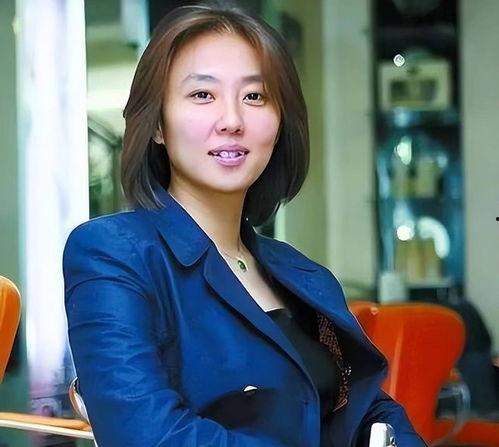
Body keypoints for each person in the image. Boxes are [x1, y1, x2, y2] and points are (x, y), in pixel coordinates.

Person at [63, 4, 425, 446]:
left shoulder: (303, 274)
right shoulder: (112, 252)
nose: (232, 121)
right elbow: (148, 435)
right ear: (157, 123)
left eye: (254, 97)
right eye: (202, 95)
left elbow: (368, 411)